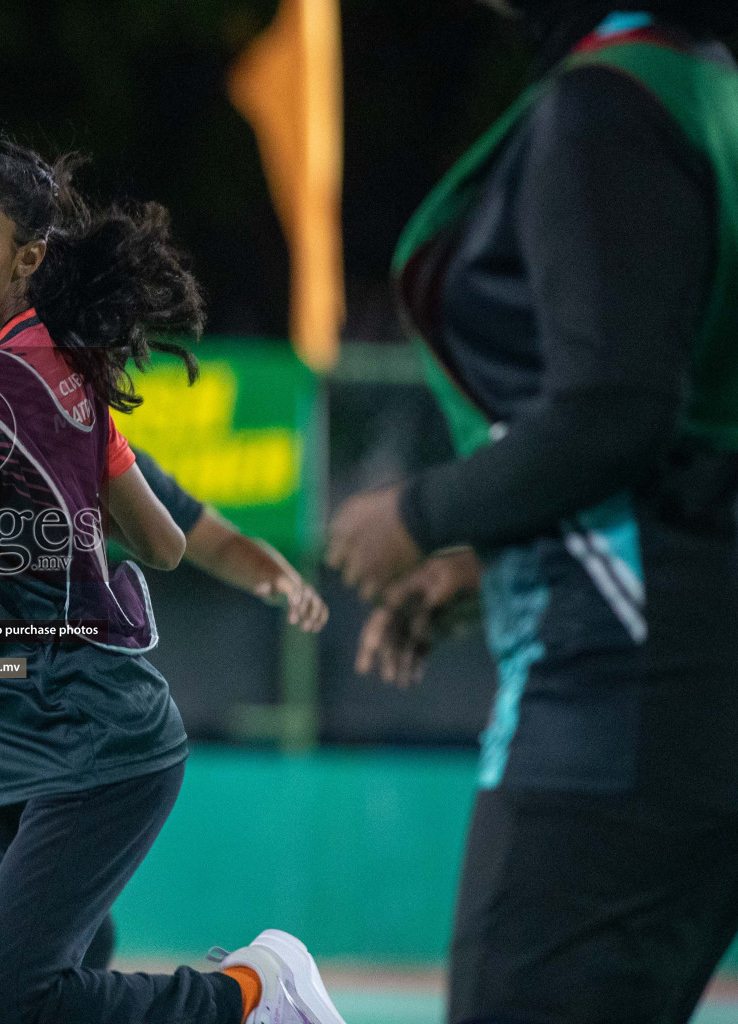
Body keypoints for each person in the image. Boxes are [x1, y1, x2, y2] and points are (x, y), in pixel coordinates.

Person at [0, 135, 347, 1024]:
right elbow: (165, 544)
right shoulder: (63, 370)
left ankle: (252, 993)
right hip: (30, 730)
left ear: (28, 258)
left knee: (2, 1005)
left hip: (81, 740)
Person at [326, 4, 738, 1022]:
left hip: (620, 687)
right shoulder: (708, 87)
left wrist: (423, 511)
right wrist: (487, 561)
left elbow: (616, 408)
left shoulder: (613, 102)